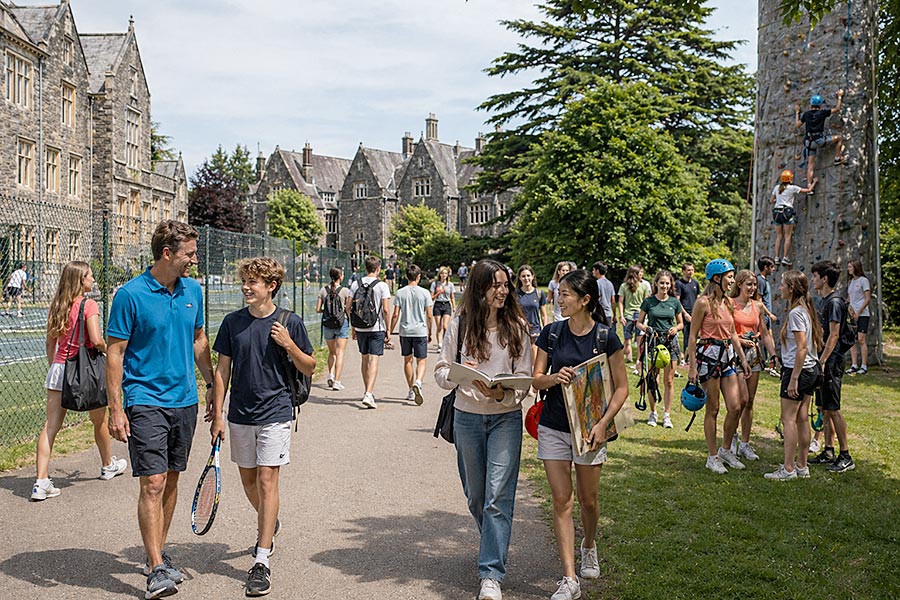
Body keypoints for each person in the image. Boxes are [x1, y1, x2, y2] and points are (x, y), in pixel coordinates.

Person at [106, 220, 214, 600]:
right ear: (167, 253)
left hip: (185, 400)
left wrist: (214, 385)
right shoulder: (130, 295)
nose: (194, 260)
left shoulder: (194, 291)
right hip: (145, 400)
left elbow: (199, 340)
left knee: (170, 480)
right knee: (152, 482)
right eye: (189, 254)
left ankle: (159, 553)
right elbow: (115, 354)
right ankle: (154, 569)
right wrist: (116, 409)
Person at [209, 257, 315, 596]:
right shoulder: (232, 323)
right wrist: (218, 412)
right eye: (245, 281)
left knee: (268, 480)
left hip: (277, 411)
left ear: (271, 286)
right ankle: (270, 521)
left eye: (253, 282)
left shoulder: (289, 322)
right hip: (240, 413)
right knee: (249, 480)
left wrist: (289, 344)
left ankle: (262, 558)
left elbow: (310, 367)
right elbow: (222, 370)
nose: (246, 287)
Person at [434, 260, 533, 600]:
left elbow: (525, 377)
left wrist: (504, 391)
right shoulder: (460, 326)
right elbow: (440, 371)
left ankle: (490, 573)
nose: (503, 290)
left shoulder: (518, 327)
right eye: (496, 285)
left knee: (496, 497)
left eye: (506, 285)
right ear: (479, 289)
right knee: (476, 496)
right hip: (467, 417)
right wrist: (460, 374)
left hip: (506, 417)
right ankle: (492, 539)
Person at [532, 269, 628, 600]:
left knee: (588, 500)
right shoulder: (552, 333)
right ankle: (570, 579)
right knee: (562, 500)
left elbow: (622, 388)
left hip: (590, 430)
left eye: (566, 294)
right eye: (559, 293)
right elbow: (536, 379)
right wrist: (553, 377)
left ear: (585, 300)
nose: (560, 298)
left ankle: (589, 543)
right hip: (553, 426)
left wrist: (603, 424)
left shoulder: (606, 337)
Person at [31, 261, 127, 501]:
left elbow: (50, 344)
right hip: (86, 372)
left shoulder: (57, 305)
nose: (93, 280)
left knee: (50, 427)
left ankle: (41, 481)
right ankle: (107, 465)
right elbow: (95, 339)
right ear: (80, 280)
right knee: (99, 421)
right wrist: (109, 350)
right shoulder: (89, 304)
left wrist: (57, 365)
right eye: (90, 277)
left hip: (59, 370)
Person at [686, 259, 750, 474]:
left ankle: (725, 450)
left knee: (736, 406)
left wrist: (742, 359)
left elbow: (732, 333)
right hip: (709, 358)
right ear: (717, 278)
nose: (732, 281)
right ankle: (712, 456)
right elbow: (692, 336)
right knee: (713, 408)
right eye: (729, 277)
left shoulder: (729, 303)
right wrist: (692, 366)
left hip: (727, 357)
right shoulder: (703, 303)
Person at [765, 270, 823, 480]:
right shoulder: (805, 310)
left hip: (799, 370)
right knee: (801, 419)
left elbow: (802, 348)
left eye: (782, 285)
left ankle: (788, 469)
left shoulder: (796, 313)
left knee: (788, 419)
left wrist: (795, 378)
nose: (780, 288)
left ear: (791, 288)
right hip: (810, 369)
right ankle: (801, 466)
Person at [809, 260, 855, 473]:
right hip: (825, 359)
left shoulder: (834, 302)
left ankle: (845, 455)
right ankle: (828, 451)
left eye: (815, 276)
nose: (812, 279)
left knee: (834, 409)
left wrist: (824, 360)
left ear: (824, 278)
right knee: (825, 408)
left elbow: (834, 334)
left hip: (832, 361)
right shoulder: (825, 300)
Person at [728, 270, 777, 461]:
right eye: (749, 284)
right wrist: (739, 339)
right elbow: (726, 330)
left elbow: (764, 332)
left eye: (754, 285)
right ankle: (731, 438)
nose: (752, 288)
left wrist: (772, 353)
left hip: (754, 356)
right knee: (740, 401)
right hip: (735, 355)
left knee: (749, 402)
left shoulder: (757, 305)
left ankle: (745, 445)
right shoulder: (730, 305)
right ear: (739, 284)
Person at [636, 270, 683, 428]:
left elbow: (681, 323)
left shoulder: (674, 302)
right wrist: (646, 328)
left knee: (668, 380)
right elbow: (639, 323)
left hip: (670, 343)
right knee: (652, 380)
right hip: (653, 342)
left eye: (667, 283)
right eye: (661, 282)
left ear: (671, 285)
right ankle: (653, 412)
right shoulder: (648, 302)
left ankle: (667, 415)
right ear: (656, 283)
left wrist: (676, 328)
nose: (664, 286)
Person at [349, 255, 392, 409]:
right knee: (374, 359)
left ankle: (367, 390)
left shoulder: (355, 284)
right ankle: (369, 393)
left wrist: (353, 326)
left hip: (360, 327)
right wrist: (388, 330)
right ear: (378, 268)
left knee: (364, 359)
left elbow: (349, 307)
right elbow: (386, 310)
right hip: (376, 327)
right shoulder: (382, 286)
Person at [392, 264, 433, 405]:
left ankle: (411, 389)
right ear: (419, 276)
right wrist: (430, 331)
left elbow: (396, 314)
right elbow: (429, 315)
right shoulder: (425, 293)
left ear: (406, 276)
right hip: (420, 330)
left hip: (405, 330)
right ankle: (418, 382)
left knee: (407, 360)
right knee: (421, 360)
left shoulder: (400, 292)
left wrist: (389, 331)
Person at [795, 89, 845, 185]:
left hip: (809, 142)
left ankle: (809, 186)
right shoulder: (822, 113)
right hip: (820, 140)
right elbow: (837, 109)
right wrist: (839, 96)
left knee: (810, 165)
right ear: (820, 105)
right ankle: (837, 157)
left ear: (811, 105)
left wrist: (797, 112)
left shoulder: (806, 114)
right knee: (839, 138)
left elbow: (797, 125)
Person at [770, 170, 817, 267]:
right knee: (787, 236)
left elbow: (771, 200)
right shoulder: (792, 188)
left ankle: (776, 258)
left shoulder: (777, 188)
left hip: (777, 213)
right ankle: (785, 258)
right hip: (787, 213)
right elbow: (808, 190)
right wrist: (814, 182)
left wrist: (779, 199)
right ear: (790, 179)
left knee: (779, 237)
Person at [316, 267, 351, 391]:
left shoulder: (323, 290)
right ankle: (337, 380)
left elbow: (318, 309)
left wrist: (326, 311)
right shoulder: (345, 291)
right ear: (340, 276)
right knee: (340, 352)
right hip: (342, 323)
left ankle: (330, 374)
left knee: (332, 352)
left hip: (327, 324)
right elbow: (347, 309)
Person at [617, 265, 650, 368]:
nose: (642, 275)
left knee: (628, 340)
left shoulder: (623, 286)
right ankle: (638, 362)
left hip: (628, 315)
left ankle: (629, 358)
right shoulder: (644, 287)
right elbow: (646, 303)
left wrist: (621, 316)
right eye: (640, 273)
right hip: (640, 315)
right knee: (640, 341)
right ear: (636, 274)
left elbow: (621, 302)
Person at [515, 264, 548, 363]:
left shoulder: (539, 293)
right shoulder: (516, 294)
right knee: (521, 360)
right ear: (520, 278)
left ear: (532, 276)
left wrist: (545, 329)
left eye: (528, 275)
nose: (526, 278)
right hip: (520, 330)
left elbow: (543, 314)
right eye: (523, 276)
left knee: (534, 361)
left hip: (535, 331)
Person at [846, 259, 871, 376]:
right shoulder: (851, 281)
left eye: (850, 267)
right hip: (852, 314)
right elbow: (850, 298)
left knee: (861, 339)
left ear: (856, 267)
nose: (849, 269)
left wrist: (858, 312)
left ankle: (864, 365)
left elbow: (867, 298)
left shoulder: (863, 281)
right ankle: (854, 364)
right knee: (852, 340)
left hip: (863, 314)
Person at [674, 262, 700, 367]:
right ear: (683, 271)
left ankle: (691, 357)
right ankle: (683, 358)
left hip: (695, 313)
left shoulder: (695, 284)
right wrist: (684, 314)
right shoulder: (679, 284)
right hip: (685, 313)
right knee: (686, 336)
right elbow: (677, 301)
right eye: (688, 270)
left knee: (694, 336)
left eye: (692, 270)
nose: (690, 272)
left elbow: (698, 298)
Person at [430, 266, 456, 352]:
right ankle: (439, 344)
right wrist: (438, 293)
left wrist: (454, 306)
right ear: (440, 274)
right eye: (442, 273)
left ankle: (445, 344)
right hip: (438, 304)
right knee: (439, 327)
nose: (444, 275)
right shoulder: (435, 284)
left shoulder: (450, 285)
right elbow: (431, 298)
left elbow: (452, 297)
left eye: (446, 273)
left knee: (445, 326)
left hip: (446, 305)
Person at [591, 261, 616, 333]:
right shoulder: (610, 284)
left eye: (593, 270)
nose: (592, 272)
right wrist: (614, 315)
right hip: (608, 314)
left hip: (599, 314)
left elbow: (596, 298)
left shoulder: (597, 283)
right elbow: (613, 301)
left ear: (597, 271)